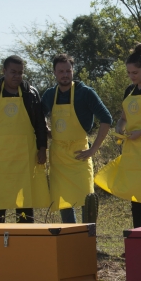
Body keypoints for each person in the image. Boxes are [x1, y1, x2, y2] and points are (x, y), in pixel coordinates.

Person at [95, 44, 141, 228]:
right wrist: (119, 128)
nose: (131, 76)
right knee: (135, 196)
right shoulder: (129, 91)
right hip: (132, 150)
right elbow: (123, 118)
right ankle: (139, 239)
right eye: (129, 73)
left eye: (135, 72)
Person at [0, 55, 49, 224]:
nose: (17, 76)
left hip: (25, 157)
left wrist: (42, 148)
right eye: (13, 72)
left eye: (20, 73)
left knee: (25, 201)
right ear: (4, 71)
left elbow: (40, 124)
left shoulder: (31, 93)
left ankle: (25, 242)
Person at [42, 53, 112, 223]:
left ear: (73, 71)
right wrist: (47, 129)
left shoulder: (85, 93)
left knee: (86, 199)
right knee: (64, 201)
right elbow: (38, 117)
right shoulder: (50, 94)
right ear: (54, 73)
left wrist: (93, 149)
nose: (65, 75)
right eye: (61, 71)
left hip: (80, 154)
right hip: (58, 155)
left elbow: (106, 118)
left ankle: (88, 238)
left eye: (68, 71)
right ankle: (70, 237)